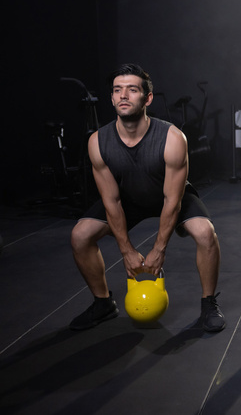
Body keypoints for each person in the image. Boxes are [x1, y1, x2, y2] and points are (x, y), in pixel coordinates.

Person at [69, 63, 225, 332]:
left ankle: (209, 302)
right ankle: (103, 303)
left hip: (170, 197)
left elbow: (172, 201)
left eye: (131, 90)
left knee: (205, 233)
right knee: (80, 235)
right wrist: (127, 251)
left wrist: (158, 249)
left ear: (147, 98)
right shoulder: (98, 141)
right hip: (128, 199)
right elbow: (111, 201)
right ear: (111, 97)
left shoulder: (173, 138)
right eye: (117, 90)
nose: (123, 96)